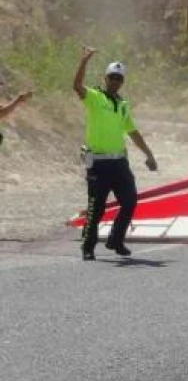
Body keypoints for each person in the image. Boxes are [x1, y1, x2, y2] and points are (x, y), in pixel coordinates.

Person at [73, 47, 158, 261]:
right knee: (97, 206)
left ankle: (116, 240)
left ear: (123, 82)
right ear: (105, 78)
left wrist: (149, 154)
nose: (115, 81)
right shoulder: (94, 97)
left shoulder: (122, 106)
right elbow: (76, 86)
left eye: (119, 78)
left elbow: (133, 132)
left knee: (130, 201)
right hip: (98, 163)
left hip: (119, 162)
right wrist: (84, 62)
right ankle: (88, 246)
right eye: (112, 77)